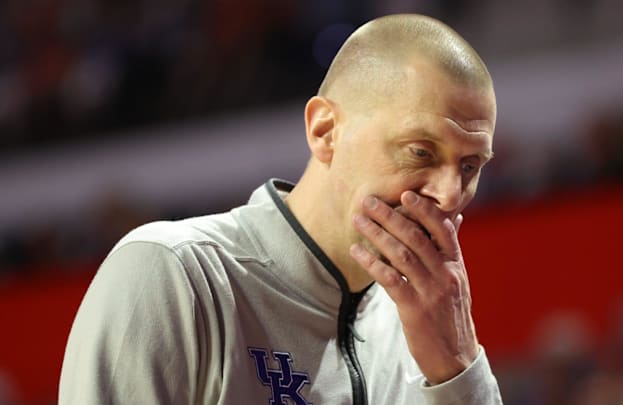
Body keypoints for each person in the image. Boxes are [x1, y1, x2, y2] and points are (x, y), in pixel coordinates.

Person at [59, 13, 502, 404]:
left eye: (469, 165)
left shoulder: (433, 333)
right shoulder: (175, 274)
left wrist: (460, 373)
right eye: (421, 152)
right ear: (325, 131)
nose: (449, 194)